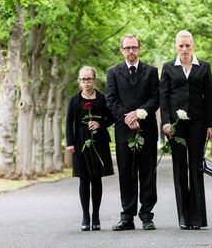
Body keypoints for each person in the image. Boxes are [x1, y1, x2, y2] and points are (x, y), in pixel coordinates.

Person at [159, 30, 212, 230]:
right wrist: (165, 122)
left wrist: (211, 124)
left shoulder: (204, 67)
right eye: (181, 46)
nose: (184, 49)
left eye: (187, 45)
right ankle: (184, 217)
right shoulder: (167, 68)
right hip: (176, 125)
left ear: (193, 45)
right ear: (176, 46)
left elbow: (210, 97)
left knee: (196, 167)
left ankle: (198, 217)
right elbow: (163, 97)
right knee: (180, 167)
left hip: (198, 123)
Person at [106, 34, 160, 231]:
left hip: (147, 131)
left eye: (134, 48)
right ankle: (127, 216)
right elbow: (111, 100)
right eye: (127, 48)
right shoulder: (112, 72)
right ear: (121, 50)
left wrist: (140, 113)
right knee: (126, 176)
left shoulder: (152, 71)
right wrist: (128, 118)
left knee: (147, 174)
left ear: (139, 48)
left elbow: (156, 98)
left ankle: (147, 216)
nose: (131, 51)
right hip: (123, 132)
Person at [66, 66, 115, 231]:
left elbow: (112, 117)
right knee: (84, 179)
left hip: (98, 141)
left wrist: (100, 123)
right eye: (83, 79)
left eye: (89, 79)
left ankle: (96, 216)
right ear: (79, 81)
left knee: (97, 178)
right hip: (80, 141)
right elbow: (69, 123)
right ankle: (85, 216)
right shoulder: (74, 100)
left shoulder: (103, 98)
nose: (86, 82)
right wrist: (70, 143)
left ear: (94, 80)